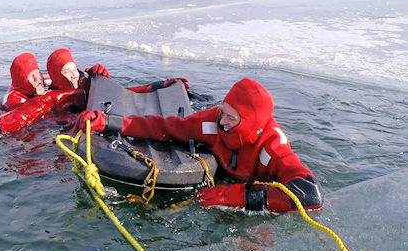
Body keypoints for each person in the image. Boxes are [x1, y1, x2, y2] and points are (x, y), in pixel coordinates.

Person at [74, 78, 324, 213]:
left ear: (251, 124)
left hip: (250, 192)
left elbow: (310, 194)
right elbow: (165, 127)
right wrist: (110, 122)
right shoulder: (212, 120)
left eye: (232, 119)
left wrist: (234, 196)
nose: (222, 122)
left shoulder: (272, 148)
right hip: (225, 182)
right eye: (224, 111)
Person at [0, 48, 190, 146]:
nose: (72, 75)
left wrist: (160, 86)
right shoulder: (52, 97)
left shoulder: (85, 83)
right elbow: (26, 113)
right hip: (62, 128)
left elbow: (126, 91)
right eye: (65, 72)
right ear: (56, 76)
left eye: (74, 68)